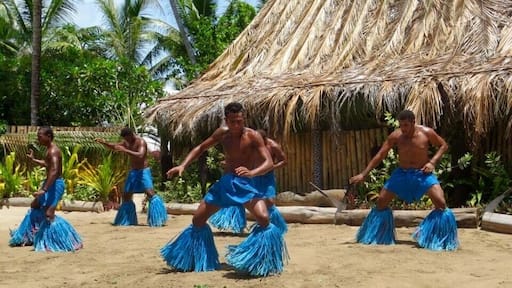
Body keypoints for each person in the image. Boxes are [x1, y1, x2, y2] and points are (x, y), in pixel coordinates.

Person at [160, 102, 287, 277]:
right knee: (197, 220)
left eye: (240, 121)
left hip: (245, 185)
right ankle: (194, 259)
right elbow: (200, 148)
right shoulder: (222, 133)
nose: (236, 125)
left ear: (244, 119)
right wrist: (183, 165)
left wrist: (252, 173)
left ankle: (261, 260)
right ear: (226, 119)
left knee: (264, 218)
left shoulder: (253, 136)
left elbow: (268, 162)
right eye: (233, 121)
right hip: (225, 184)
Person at [349, 110, 458, 251]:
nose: (403, 129)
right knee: (381, 202)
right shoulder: (396, 136)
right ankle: (379, 236)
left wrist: (432, 162)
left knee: (441, 203)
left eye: (406, 125)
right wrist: (364, 174)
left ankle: (435, 239)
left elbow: (443, 145)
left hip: (422, 174)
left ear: (413, 122)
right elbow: (380, 155)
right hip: (402, 174)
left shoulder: (427, 133)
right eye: (401, 125)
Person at [9, 126, 83, 252]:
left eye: (40, 136)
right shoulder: (49, 150)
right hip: (49, 183)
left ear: (48, 136)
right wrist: (34, 160)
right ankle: (29, 236)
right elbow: (48, 165)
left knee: (49, 214)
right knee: (35, 206)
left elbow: (54, 171)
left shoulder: (54, 151)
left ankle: (67, 241)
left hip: (55, 185)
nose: (38, 138)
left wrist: (44, 189)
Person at [209, 129, 288, 234]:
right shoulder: (251, 144)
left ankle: (273, 226)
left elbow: (284, 161)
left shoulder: (273, 146)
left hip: (267, 177)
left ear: (264, 140)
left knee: (269, 201)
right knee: (247, 198)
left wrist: (272, 167)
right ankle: (239, 223)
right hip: (253, 175)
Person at [95, 128, 167, 227]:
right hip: (133, 172)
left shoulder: (141, 142)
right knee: (126, 195)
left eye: (127, 138)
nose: (126, 141)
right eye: (125, 139)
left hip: (143, 172)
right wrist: (104, 143)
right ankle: (127, 220)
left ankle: (158, 219)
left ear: (131, 135)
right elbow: (115, 147)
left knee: (150, 193)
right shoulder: (126, 142)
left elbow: (140, 155)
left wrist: (125, 150)